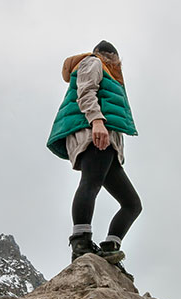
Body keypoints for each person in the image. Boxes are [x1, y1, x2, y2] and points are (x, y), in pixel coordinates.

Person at [46, 40, 141, 275]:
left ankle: (110, 247)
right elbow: (86, 91)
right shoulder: (93, 62)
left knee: (132, 204)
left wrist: (116, 149)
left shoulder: (108, 73)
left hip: (105, 139)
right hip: (93, 132)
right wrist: (96, 121)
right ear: (111, 56)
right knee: (90, 183)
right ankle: (81, 242)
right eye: (117, 60)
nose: (118, 65)